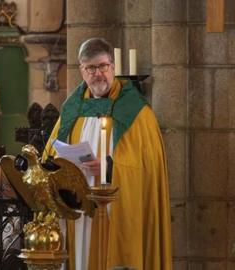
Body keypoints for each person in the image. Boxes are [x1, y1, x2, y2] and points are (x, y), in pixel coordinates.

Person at [44, 38, 172, 270]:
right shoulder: (72, 108)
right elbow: (51, 154)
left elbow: (147, 167)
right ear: (82, 71)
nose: (98, 74)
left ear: (113, 68)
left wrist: (108, 167)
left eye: (103, 66)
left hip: (117, 205)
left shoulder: (137, 112)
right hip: (78, 208)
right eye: (91, 68)